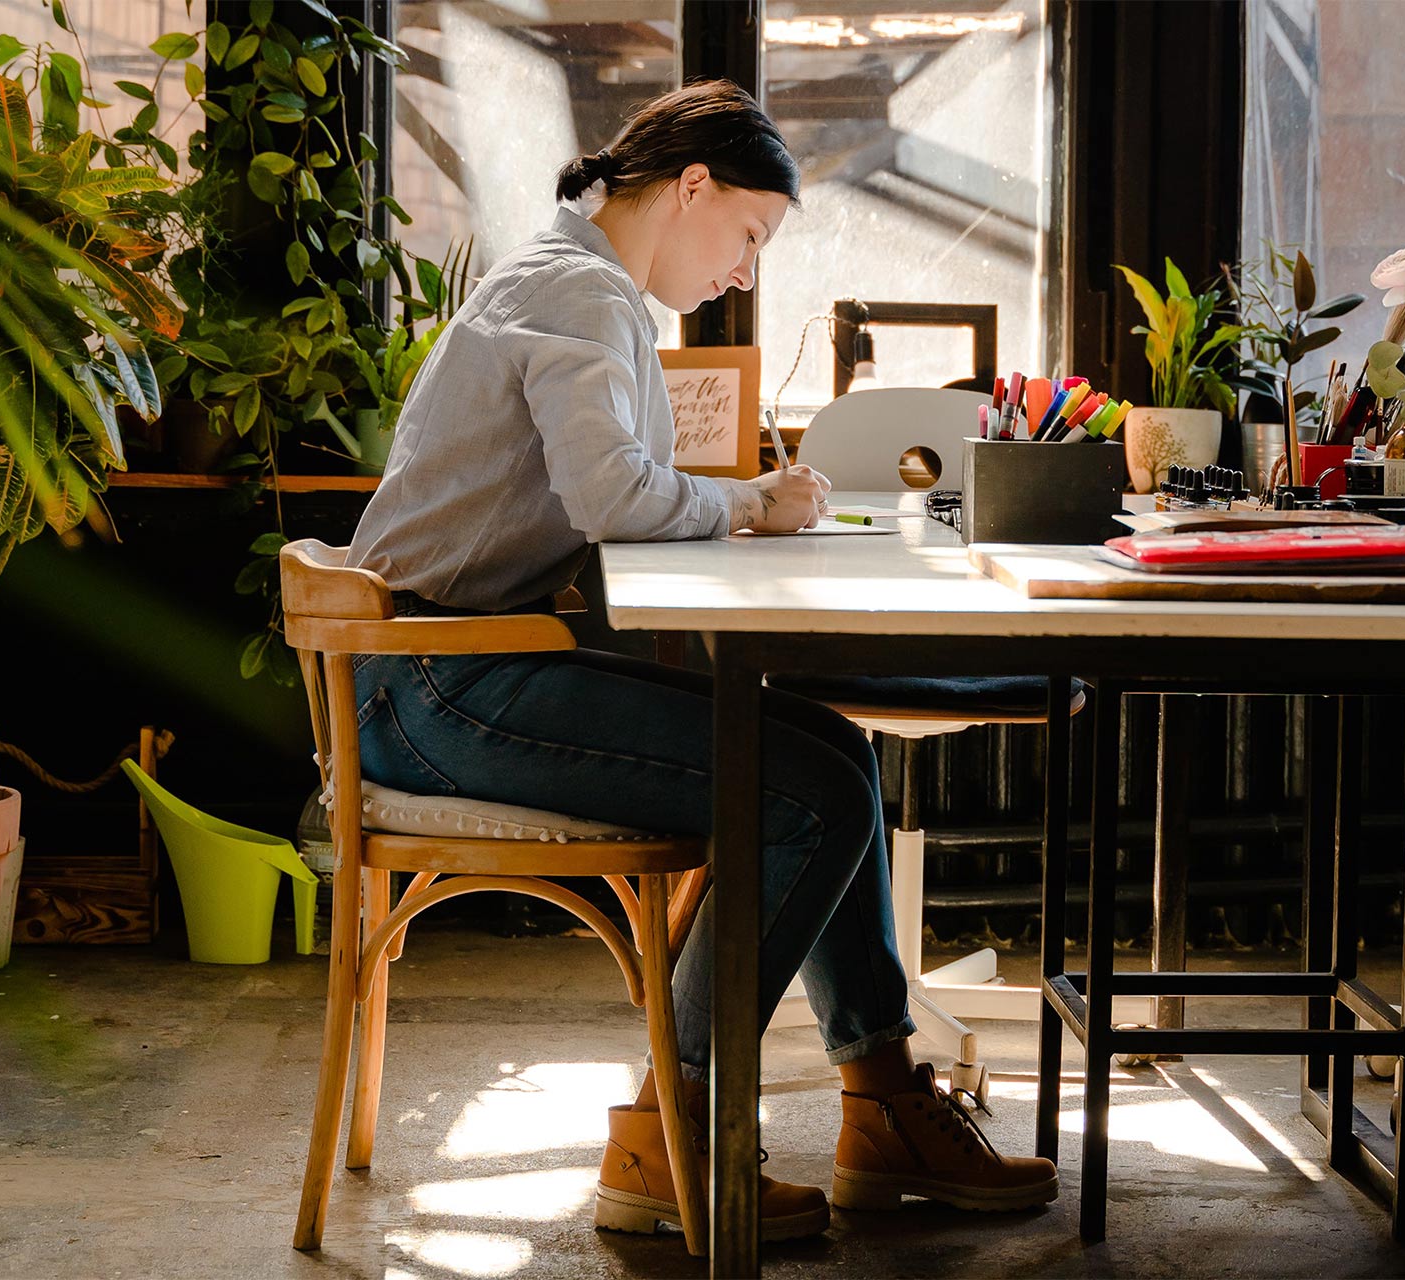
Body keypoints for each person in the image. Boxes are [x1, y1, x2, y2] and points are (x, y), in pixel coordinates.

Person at [345, 80, 1055, 1242]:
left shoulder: (561, 276)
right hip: (439, 680)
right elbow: (613, 495)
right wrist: (754, 504)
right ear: (690, 188)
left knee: (829, 752)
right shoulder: (583, 291)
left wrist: (738, 505)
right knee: (815, 788)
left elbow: (600, 490)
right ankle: (671, 1136)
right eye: (750, 235)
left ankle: (878, 1104)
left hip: (440, 663)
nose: (744, 269)